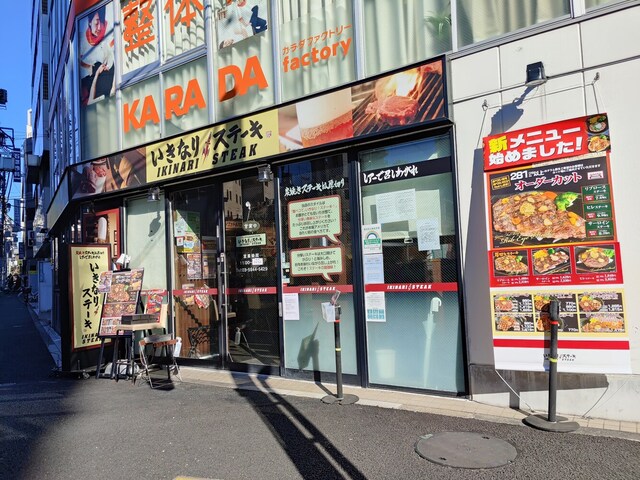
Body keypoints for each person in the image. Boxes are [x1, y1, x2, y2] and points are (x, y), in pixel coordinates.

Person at [79, 6, 115, 106]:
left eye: (101, 22)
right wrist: (89, 67)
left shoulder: (109, 29)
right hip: (92, 79)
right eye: (96, 23)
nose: (99, 27)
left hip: (108, 74)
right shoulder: (81, 41)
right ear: (89, 22)